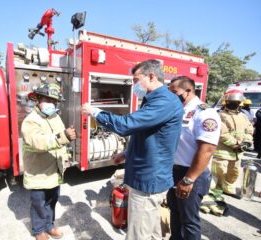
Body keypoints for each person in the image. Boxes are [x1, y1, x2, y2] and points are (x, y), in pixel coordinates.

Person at [82, 59, 183, 240]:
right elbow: (147, 135)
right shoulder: (153, 100)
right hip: (147, 176)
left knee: (138, 234)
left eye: (136, 80)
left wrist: (95, 112)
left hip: (148, 179)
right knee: (151, 229)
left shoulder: (164, 101)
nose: (134, 85)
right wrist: (126, 153)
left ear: (151, 76)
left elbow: (127, 125)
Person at [167, 76, 221, 240]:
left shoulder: (204, 113)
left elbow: (207, 149)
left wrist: (188, 180)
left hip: (191, 174)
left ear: (188, 90)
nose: (171, 96)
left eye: (174, 92)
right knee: (175, 214)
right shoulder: (178, 110)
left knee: (189, 221)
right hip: (174, 172)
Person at [21, 82, 76, 240]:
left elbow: (60, 142)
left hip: (54, 171)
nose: (51, 104)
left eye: (54, 101)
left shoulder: (56, 117)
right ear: (38, 99)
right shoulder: (31, 121)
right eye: (47, 100)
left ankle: (49, 225)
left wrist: (65, 158)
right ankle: (39, 231)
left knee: (52, 201)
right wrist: (64, 137)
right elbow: (38, 142)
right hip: (38, 173)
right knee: (39, 204)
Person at [211, 89, 254, 198]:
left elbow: (249, 130)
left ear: (240, 103)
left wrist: (247, 141)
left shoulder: (243, 116)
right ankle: (215, 193)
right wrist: (236, 144)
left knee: (234, 172)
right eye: (231, 102)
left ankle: (228, 188)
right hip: (223, 151)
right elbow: (222, 134)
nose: (234, 104)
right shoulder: (220, 116)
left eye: (236, 103)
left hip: (238, 153)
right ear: (226, 102)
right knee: (219, 172)